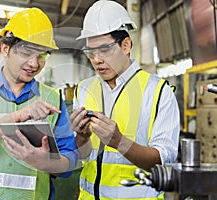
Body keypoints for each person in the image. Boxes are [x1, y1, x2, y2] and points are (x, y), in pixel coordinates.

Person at [0, 8, 78, 200]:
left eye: (42, 55)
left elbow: (70, 160)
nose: (34, 64)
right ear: (5, 48)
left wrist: (48, 162)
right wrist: (16, 117)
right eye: (27, 52)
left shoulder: (53, 99)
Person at [70, 1, 180, 199]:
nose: (96, 59)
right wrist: (81, 138)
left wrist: (120, 142)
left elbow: (163, 160)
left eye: (104, 50)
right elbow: (81, 157)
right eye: (91, 52)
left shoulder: (158, 92)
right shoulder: (84, 89)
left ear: (126, 45)